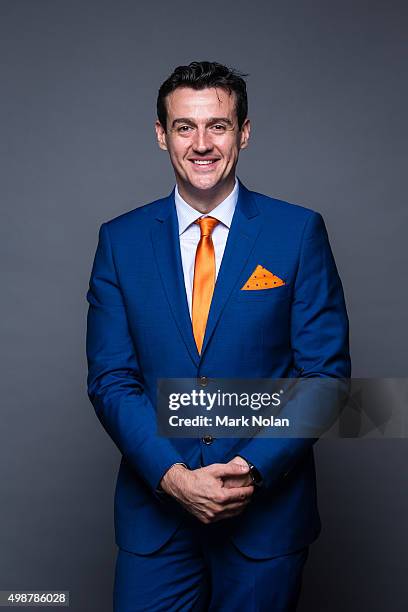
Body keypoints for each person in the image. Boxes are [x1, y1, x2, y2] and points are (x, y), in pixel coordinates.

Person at [86, 60, 351, 611]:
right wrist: (173, 476)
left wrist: (250, 470)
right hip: (155, 525)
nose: (201, 143)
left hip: (266, 525)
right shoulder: (120, 241)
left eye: (219, 125)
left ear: (244, 132)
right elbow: (112, 379)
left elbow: (325, 378)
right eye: (185, 126)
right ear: (162, 135)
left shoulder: (297, 233)